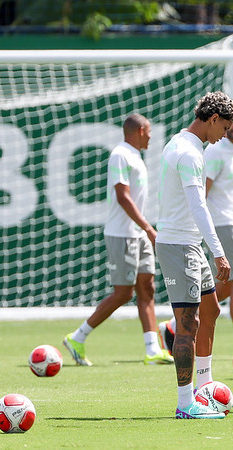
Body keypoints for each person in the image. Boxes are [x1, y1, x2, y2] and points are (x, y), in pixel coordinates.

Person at [158, 101, 233, 354]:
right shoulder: (212, 151)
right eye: (228, 124)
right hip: (218, 224)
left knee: (223, 287)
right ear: (215, 120)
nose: (232, 130)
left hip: (229, 222)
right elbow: (199, 197)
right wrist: (208, 236)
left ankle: (172, 325)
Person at [63, 114, 173, 367]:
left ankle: (152, 350)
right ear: (141, 130)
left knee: (147, 287)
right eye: (149, 132)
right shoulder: (120, 155)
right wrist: (147, 227)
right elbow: (122, 197)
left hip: (138, 233)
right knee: (123, 293)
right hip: (122, 234)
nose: (152, 137)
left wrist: (144, 228)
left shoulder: (135, 155)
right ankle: (77, 337)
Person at [156, 91, 233, 419]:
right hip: (180, 246)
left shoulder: (186, 144)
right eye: (224, 128)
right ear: (212, 119)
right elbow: (198, 205)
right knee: (187, 324)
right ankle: (185, 402)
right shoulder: (188, 152)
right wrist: (219, 253)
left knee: (212, 309)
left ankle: (204, 386)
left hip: (189, 244)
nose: (224, 137)